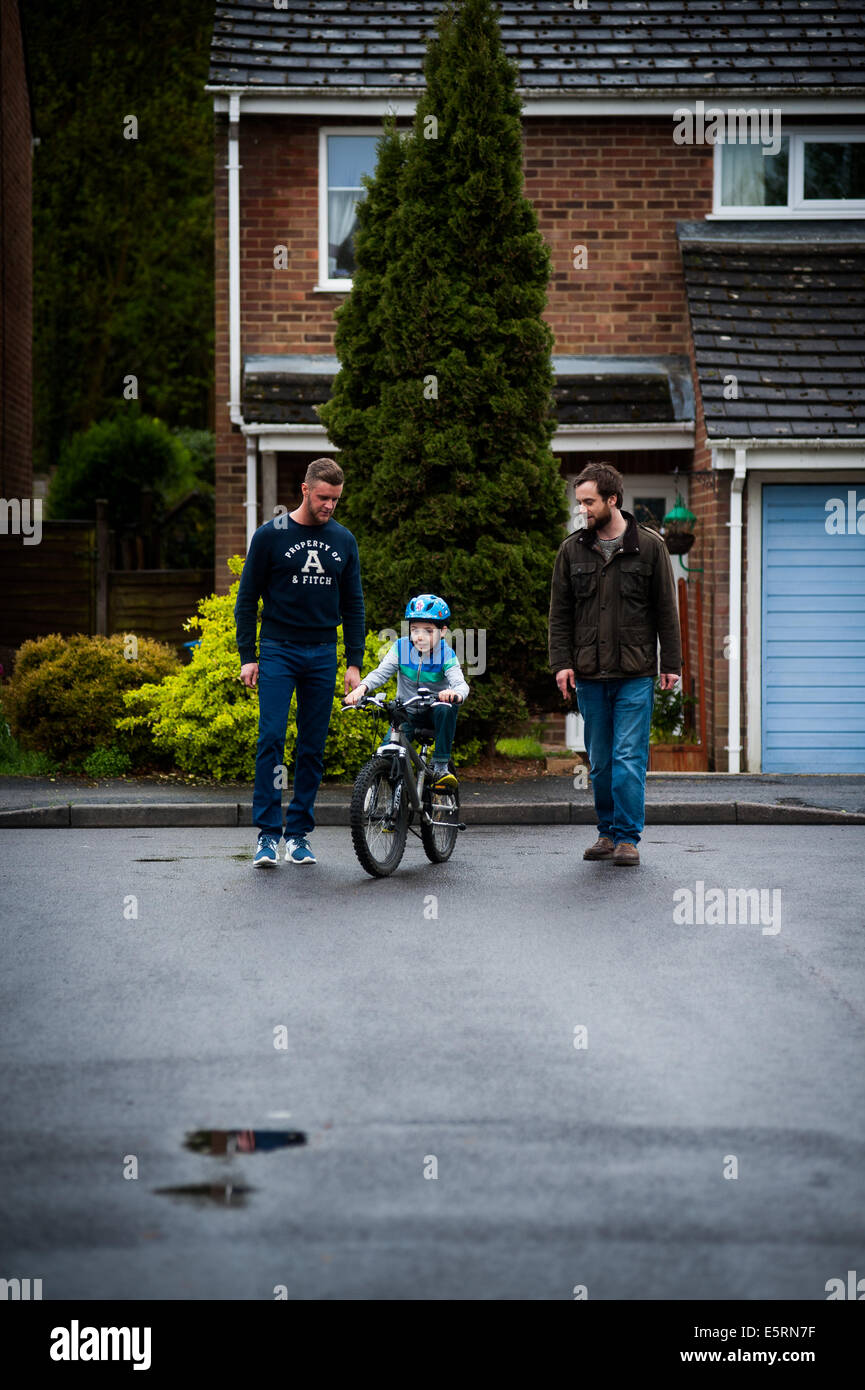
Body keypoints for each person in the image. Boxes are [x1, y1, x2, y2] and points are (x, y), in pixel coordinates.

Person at [548, 462, 681, 867]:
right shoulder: (571, 550)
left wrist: (670, 663)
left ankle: (627, 838)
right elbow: (560, 614)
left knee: (628, 758)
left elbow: (666, 610)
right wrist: (562, 663)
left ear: (612, 500)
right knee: (601, 761)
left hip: (635, 673)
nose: (582, 509)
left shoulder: (651, 547)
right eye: (580, 502)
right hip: (589, 673)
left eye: (589, 502)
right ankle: (606, 833)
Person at [235, 458, 365, 867]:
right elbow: (247, 599)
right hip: (278, 648)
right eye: (323, 497)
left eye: (336, 499)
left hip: (323, 653)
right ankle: (268, 835)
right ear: (305, 490)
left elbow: (354, 604)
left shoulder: (344, 540)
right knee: (271, 738)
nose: (329, 506)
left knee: (312, 746)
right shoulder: (269, 536)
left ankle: (299, 835)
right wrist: (248, 656)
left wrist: (354, 662)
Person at [343, 594, 468, 789]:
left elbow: (461, 684)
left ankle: (441, 766)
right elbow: (381, 673)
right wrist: (361, 689)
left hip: (435, 711)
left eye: (428, 630)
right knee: (387, 754)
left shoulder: (446, 655)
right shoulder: (400, 647)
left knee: (447, 707)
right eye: (414, 629)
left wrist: (455, 694)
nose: (419, 636)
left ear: (443, 631)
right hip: (407, 712)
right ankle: (395, 801)